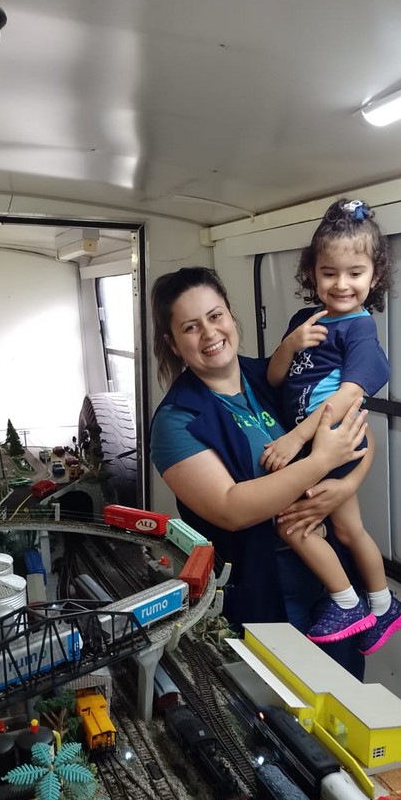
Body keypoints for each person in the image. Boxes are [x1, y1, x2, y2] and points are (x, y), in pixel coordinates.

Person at [149, 265, 372, 679]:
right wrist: (320, 463)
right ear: (173, 343)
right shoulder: (178, 421)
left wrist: (346, 487)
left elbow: (355, 426)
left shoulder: (276, 376)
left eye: (215, 316)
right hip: (266, 588)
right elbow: (231, 509)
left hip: (332, 576)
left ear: (230, 316)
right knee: (285, 704)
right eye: (191, 327)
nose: (210, 333)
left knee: (344, 693)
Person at [261, 198, 401, 654]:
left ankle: (349, 602)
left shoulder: (360, 330)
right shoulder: (303, 322)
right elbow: (274, 378)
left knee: (294, 527)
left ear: (375, 276)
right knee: (346, 530)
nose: (341, 284)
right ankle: (382, 605)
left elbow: (349, 396)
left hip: (331, 444)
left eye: (355, 273)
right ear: (313, 274)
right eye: (329, 273)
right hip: (318, 448)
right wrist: (290, 344)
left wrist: (296, 438)